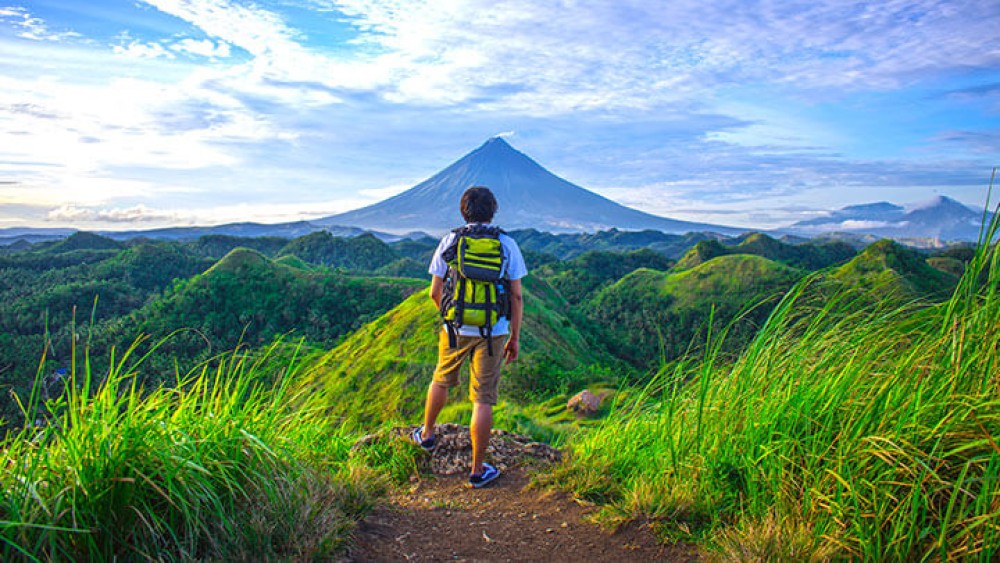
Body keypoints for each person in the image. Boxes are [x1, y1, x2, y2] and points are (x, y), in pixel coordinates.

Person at [411, 186, 527, 488]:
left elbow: (435, 291)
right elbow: (516, 296)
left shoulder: (451, 240)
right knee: (483, 398)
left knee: (441, 379)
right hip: (494, 331)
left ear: (463, 211)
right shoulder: (507, 244)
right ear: (493, 211)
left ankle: (427, 435)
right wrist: (514, 337)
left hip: (455, 328)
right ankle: (477, 471)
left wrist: (451, 316)